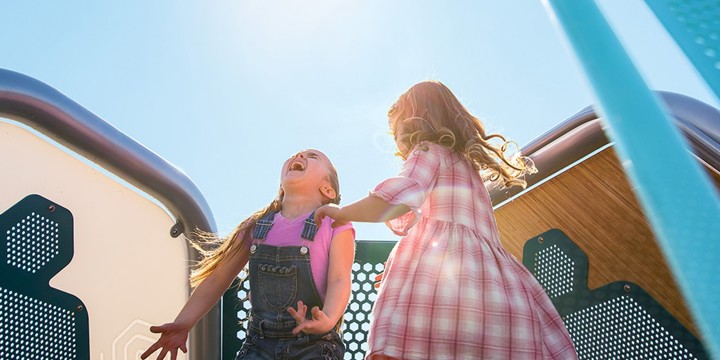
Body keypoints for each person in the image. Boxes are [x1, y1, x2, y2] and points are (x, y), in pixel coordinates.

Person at [315, 81, 577, 359]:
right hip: (495, 292)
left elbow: (397, 199)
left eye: (398, 129)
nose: (397, 140)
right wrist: (405, 272)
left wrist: (341, 212)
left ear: (420, 119)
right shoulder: (467, 167)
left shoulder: (427, 152)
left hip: (443, 303)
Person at [141, 149, 356, 360]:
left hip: (314, 345)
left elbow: (339, 278)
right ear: (281, 184)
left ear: (327, 189)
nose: (299, 156)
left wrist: (327, 319)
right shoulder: (257, 226)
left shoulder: (336, 224)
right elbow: (218, 278)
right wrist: (183, 323)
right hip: (259, 344)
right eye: (297, 153)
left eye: (312, 156)